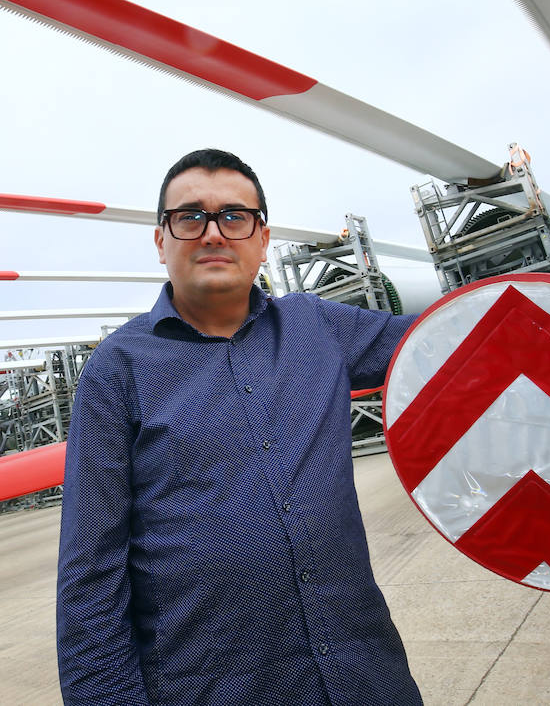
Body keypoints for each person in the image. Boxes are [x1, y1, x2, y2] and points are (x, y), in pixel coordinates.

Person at [56, 149, 422, 705]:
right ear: (161, 241)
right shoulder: (118, 369)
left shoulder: (318, 327)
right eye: (189, 217)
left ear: (263, 237)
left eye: (234, 216)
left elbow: (451, 345)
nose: (212, 234)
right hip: (216, 688)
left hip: (364, 678)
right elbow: (91, 571)